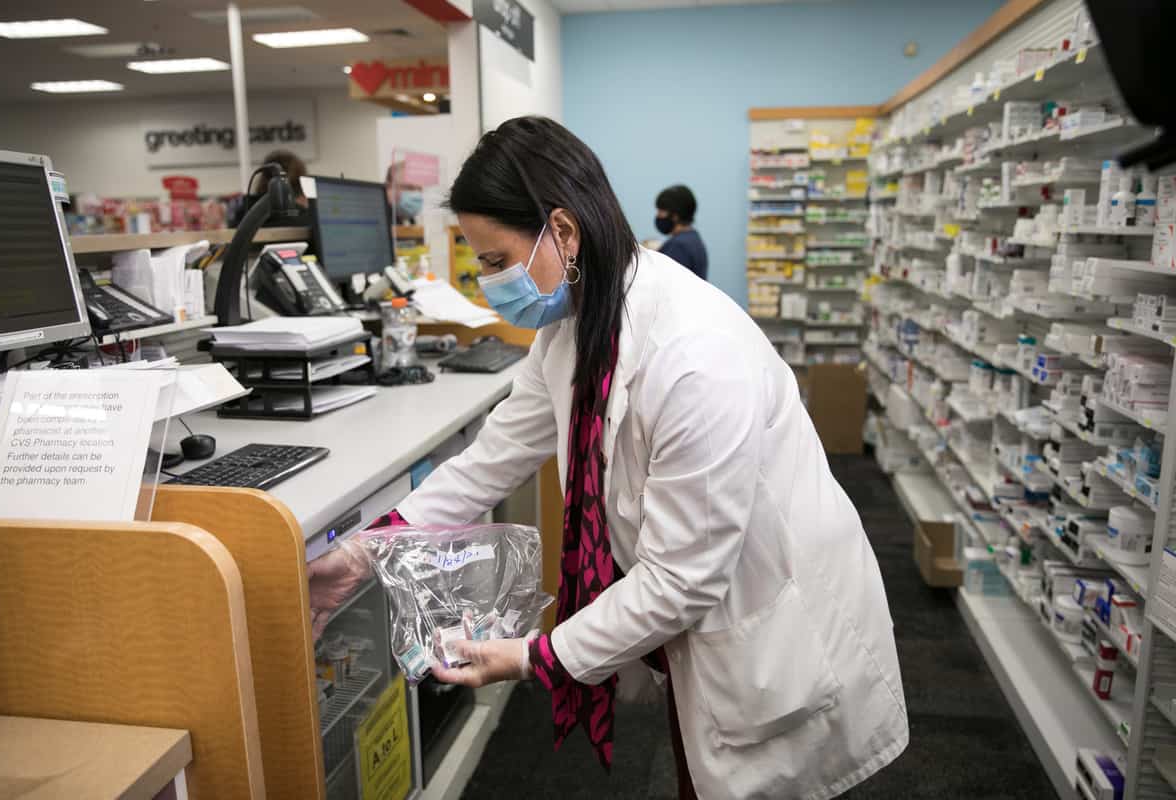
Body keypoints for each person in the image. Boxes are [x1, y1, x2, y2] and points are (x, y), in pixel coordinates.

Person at [308, 116, 907, 799]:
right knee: (699, 765)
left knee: (745, 770)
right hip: (696, 619)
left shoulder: (693, 358)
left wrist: (537, 655)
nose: (486, 285)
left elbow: (683, 579)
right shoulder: (573, 327)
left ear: (563, 233)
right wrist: (363, 555)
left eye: (496, 260)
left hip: (769, 613)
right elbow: (492, 459)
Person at [655, 184, 708, 279]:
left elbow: (663, 282)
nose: (658, 215)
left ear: (675, 215)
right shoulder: (693, 238)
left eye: (661, 211)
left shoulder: (678, 246)